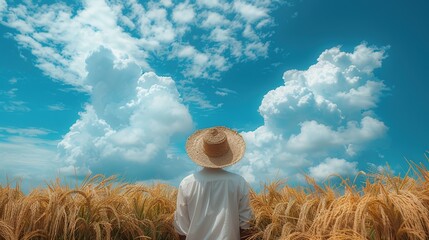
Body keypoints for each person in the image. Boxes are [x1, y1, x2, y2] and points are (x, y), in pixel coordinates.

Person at [174, 126, 253, 240]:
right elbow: (245, 223)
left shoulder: (187, 183)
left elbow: (181, 226)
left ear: (202, 152)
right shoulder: (238, 181)